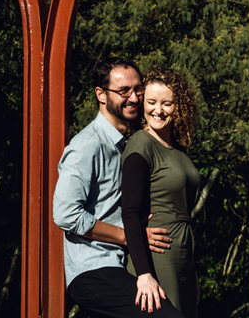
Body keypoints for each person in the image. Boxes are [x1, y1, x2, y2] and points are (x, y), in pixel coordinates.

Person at [53, 58, 184, 318]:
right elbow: (65, 213)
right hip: (94, 270)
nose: (134, 98)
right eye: (123, 91)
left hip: (121, 265)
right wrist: (127, 235)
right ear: (101, 94)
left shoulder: (130, 144)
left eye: (138, 89)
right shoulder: (87, 145)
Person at [121, 66, 202, 318]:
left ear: (178, 106)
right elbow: (130, 213)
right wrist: (144, 274)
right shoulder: (141, 145)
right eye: (152, 102)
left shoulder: (178, 149)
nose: (158, 110)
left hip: (184, 257)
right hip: (158, 257)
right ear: (142, 103)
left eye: (167, 103)